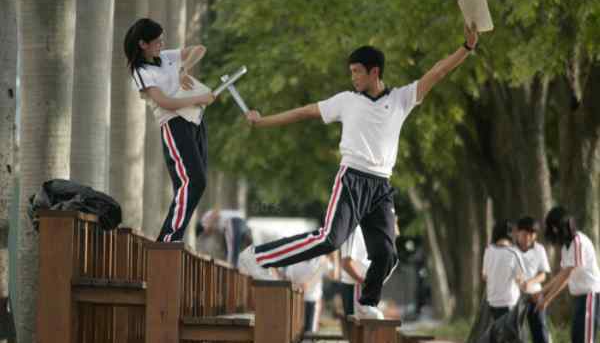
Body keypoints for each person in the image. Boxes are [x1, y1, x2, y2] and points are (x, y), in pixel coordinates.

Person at [238, 23, 480, 319]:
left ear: (374, 72)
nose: (352, 78)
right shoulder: (346, 101)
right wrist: (263, 121)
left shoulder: (401, 99)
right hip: (352, 178)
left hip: (381, 186)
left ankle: (367, 302)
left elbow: (437, 73)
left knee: (387, 254)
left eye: (357, 72)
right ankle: (257, 257)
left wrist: (466, 49)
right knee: (331, 239)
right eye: (351, 72)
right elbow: (303, 112)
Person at [124, 18, 216, 242]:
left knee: (195, 182)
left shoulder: (165, 57)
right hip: (175, 126)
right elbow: (164, 102)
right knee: (193, 181)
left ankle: (171, 238)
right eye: (156, 41)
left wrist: (184, 68)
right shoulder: (141, 71)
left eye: (162, 40)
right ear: (142, 44)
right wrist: (200, 98)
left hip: (195, 122)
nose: (161, 45)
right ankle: (168, 239)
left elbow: (199, 49)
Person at [535, 206, 600, 343]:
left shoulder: (578, 242)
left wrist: (546, 300)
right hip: (579, 298)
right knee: (577, 338)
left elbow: (566, 276)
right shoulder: (567, 246)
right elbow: (561, 274)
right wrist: (543, 290)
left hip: (590, 297)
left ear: (556, 228)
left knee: (585, 340)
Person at [514, 216, 551, 343]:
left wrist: (530, 282)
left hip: (535, 295)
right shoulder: (511, 250)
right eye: (524, 234)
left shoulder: (539, 249)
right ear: (517, 233)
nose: (528, 238)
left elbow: (543, 274)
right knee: (517, 331)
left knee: (540, 330)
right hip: (515, 297)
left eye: (532, 234)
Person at [482, 220, 524, 320]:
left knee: (499, 332)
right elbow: (520, 278)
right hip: (509, 301)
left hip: (493, 301)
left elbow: (484, 276)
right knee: (511, 334)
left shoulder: (488, 251)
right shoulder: (514, 252)